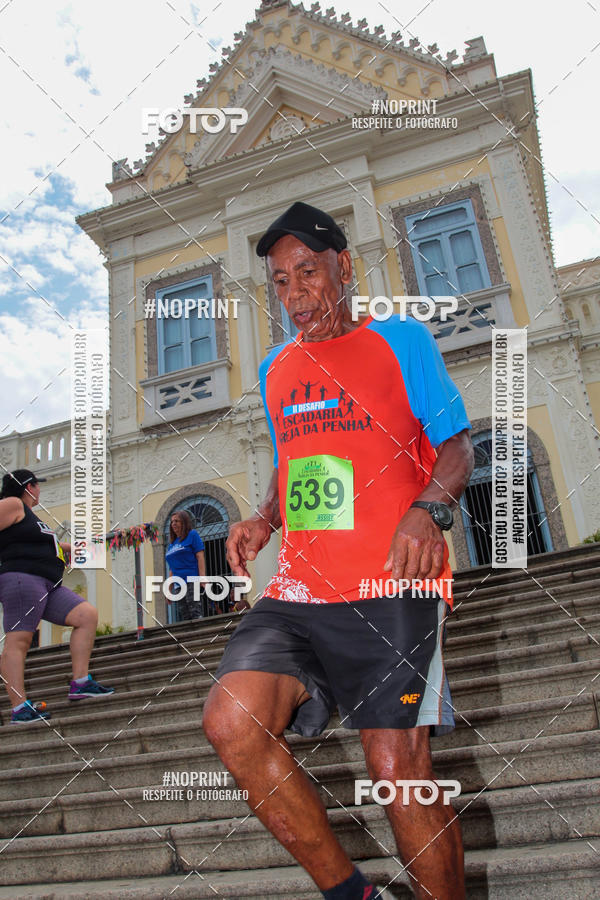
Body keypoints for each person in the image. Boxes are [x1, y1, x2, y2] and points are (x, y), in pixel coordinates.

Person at [203, 202, 474, 900]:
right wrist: (263, 518)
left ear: (345, 268)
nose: (297, 295)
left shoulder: (400, 342)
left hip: (391, 584)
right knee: (232, 721)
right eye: (283, 283)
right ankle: (354, 894)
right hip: (299, 591)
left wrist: (428, 509)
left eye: (310, 273)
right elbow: (297, 461)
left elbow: (455, 447)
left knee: (396, 766)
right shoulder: (276, 368)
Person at [0, 469, 114, 724]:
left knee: (86, 615)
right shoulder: (13, 503)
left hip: (48, 584)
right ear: (29, 487)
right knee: (18, 642)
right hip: (22, 578)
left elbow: (45, 544)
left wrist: (75, 548)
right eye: (37, 486)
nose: (39, 490)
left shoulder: (31, 517)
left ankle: (80, 682)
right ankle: (20, 707)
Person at [165, 510, 207, 620]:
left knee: (195, 611)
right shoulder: (172, 545)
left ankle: (201, 636)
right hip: (178, 584)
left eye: (176, 521)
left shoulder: (192, 535)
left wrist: (202, 577)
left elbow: (200, 556)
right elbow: (172, 568)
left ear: (184, 522)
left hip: (192, 579)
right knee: (185, 615)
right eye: (172, 522)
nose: (173, 523)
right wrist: (168, 589)